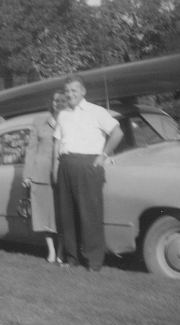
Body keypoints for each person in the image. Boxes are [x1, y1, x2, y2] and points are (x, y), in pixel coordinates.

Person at [53, 75, 123, 271]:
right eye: (67, 91)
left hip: (88, 165)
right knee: (68, 215)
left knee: (89, 214)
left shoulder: (97, 111)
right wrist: (56, 165)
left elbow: (117, 133)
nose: (70, 94)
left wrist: (103, 155)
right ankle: (72, 258)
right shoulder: (63, 114)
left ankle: (93, 262)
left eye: (74, 90)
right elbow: (58, 141)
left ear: (83, 91)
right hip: (66, 164)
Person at [22, 89, 68, 263]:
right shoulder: (39, 122)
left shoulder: (70, 120)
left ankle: (62, 251)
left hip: (63, 173)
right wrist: (27, 175)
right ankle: (51, 250)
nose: (59, 103)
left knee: (62, 214)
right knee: (44, 214)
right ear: (51, 103)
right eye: (56, 100)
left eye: (63, 100)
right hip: (41, 174)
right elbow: (31, 149)